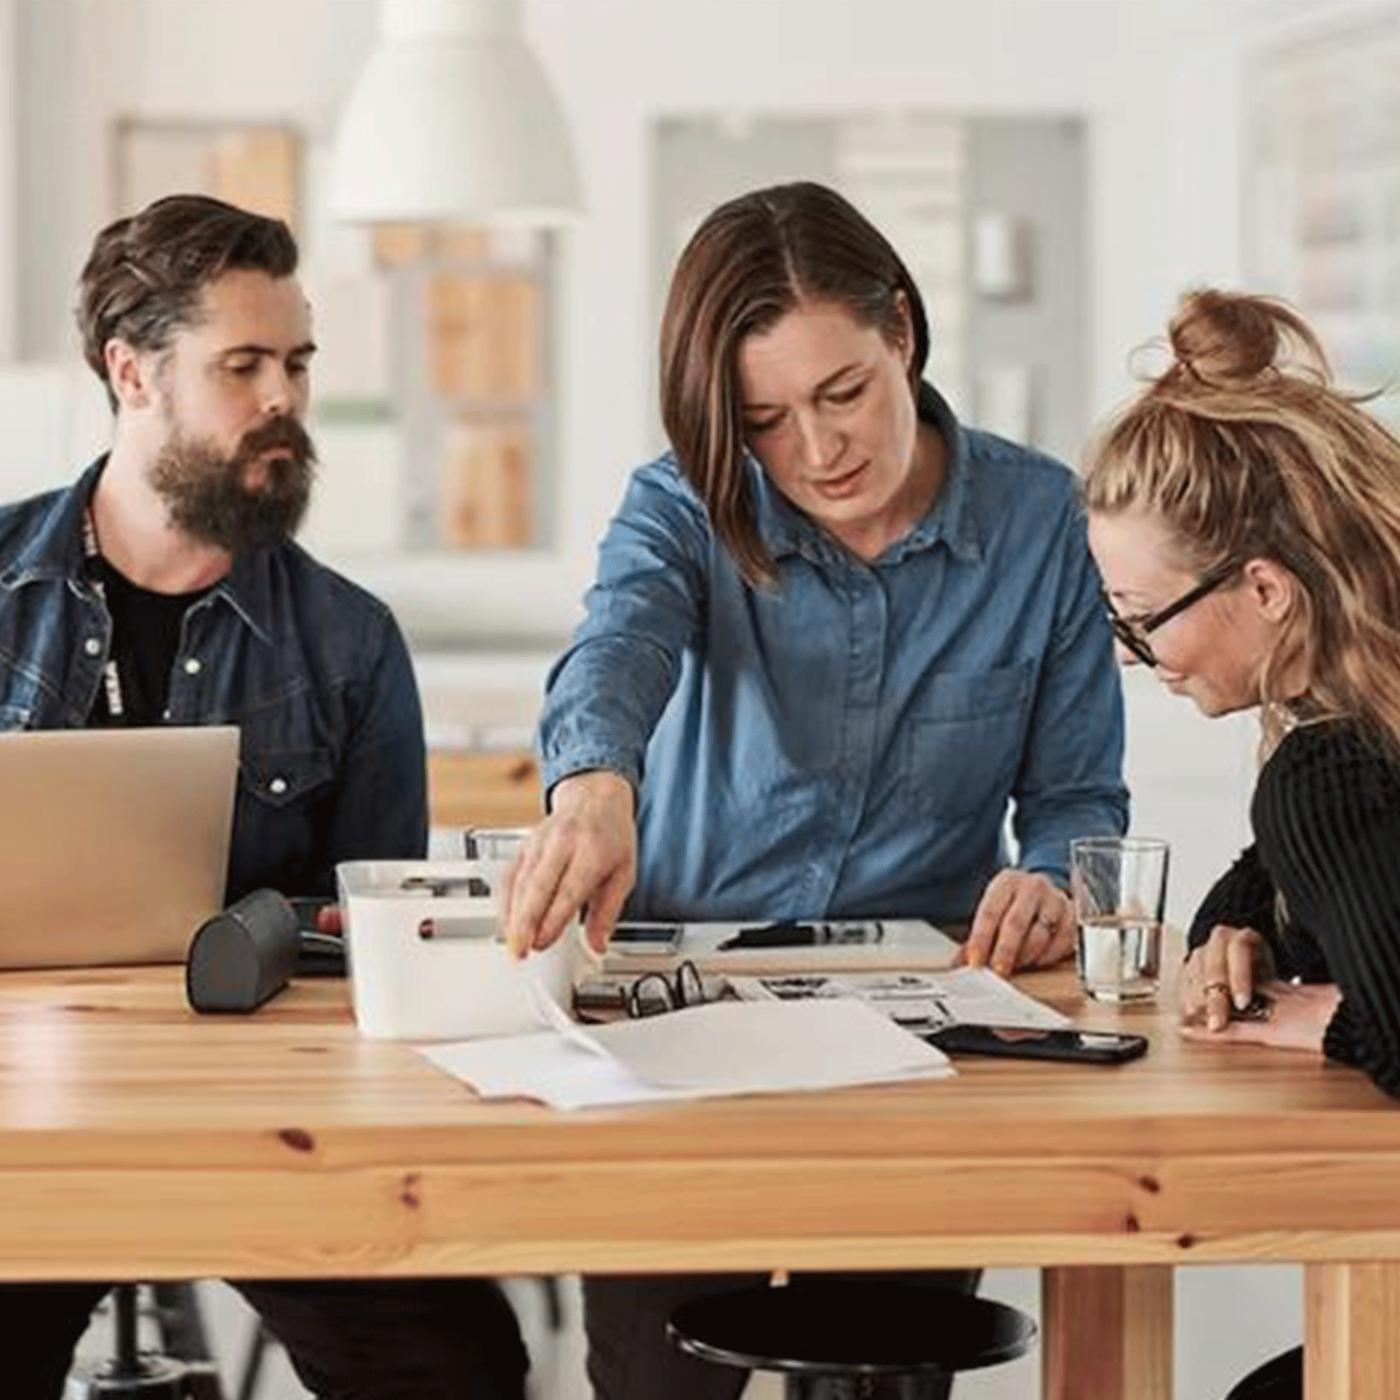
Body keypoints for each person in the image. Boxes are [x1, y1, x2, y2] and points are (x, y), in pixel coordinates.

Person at [505, 181, 1128, 1400]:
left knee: (878, 1379)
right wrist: (588, 782)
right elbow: (616, 642)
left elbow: (1073, 797)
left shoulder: (1042, 519)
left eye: (841, 393)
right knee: (653, 1379)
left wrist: (1052, 883)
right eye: (766, 419)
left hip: (915, 1041)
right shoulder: (684, 500)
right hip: (672, 1009)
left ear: (900, 329)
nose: (817, 449)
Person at [0, 195, 527, 1400]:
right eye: (241, 365)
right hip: (20, 1133)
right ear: (132, 372)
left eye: (294, 361)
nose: (283, 397)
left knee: (454, 1366)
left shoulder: (350, 642)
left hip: (277, 1131)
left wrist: (352, 933)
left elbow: (385, 944)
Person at [1084, 287, 1400, 1400]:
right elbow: (1264, 872)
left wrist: (1321, 1020)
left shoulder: (1328, 769)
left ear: (1262, 587)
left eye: (1140, 613)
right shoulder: (1366, 721)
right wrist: (1231, 926)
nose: (1135, 652)